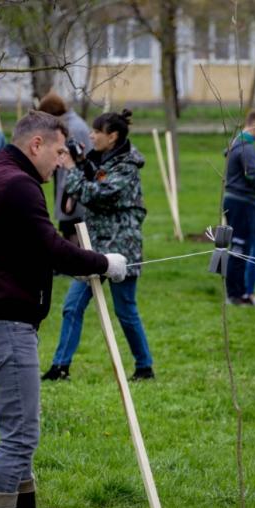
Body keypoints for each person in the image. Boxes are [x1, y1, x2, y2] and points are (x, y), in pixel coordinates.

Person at [0, 110, 128, 508]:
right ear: (36, 145)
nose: (61, 162)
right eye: (57, 152)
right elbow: (49, 247)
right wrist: (104, 263)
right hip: (3, 322)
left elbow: (22, 246)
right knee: (19, 437)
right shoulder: (18, 185)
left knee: (21, 431)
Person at [42, 109, 156, 382]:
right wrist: (78, 164)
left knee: (125, 310)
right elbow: (86, 184)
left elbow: (99, 193)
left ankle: (144, 367)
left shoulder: (126, 167)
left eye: (96, 132)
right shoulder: (98, 159)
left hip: (122, 246)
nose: (91, 135)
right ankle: (60, 367)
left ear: (113, 136)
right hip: (93, 247)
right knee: (72, 305)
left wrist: (72, 170)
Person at [222, 110, 255, 305]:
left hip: (233, 199)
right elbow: (252, 175)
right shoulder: (247, 147)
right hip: (242, 200)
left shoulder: (235, 143)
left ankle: (237, 291)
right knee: (240, 246)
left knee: (237, 244)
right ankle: (237, 294)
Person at [38, 91, 93, 241]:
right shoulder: (67, 125)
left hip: (75, 199)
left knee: (77, 241)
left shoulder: (74, 129)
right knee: (68, 234)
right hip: (68, 189)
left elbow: (81, 165)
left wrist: (70, 197)